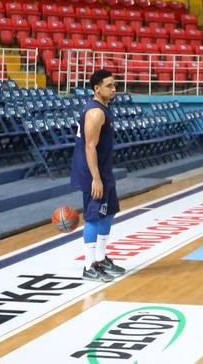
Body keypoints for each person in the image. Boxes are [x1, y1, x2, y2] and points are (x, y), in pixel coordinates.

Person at [70, 69, 126, 283]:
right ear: (96, 88)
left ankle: (101, 259)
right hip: (93, 172)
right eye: (109, 86)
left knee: (108, 213)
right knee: (94, 217)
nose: (114, 89)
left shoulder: (103, 108)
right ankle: (89, 266)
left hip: (103, 169)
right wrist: (95, 178)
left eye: (114, 85)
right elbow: (89, 146)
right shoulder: (95, 112)